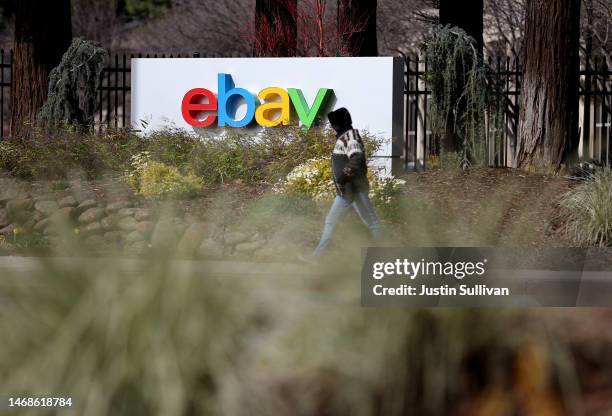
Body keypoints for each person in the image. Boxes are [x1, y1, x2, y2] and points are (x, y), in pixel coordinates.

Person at [300, 107, 383, 263]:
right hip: (347, 191)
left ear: (337, 125)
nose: (331, 128)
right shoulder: (345, 136)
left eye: (332, 125)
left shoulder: (350, 138)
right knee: (332, 222)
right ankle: (316, 258)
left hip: (355, 190)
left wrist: (344, 176)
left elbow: (356, 159)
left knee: (372, 223)